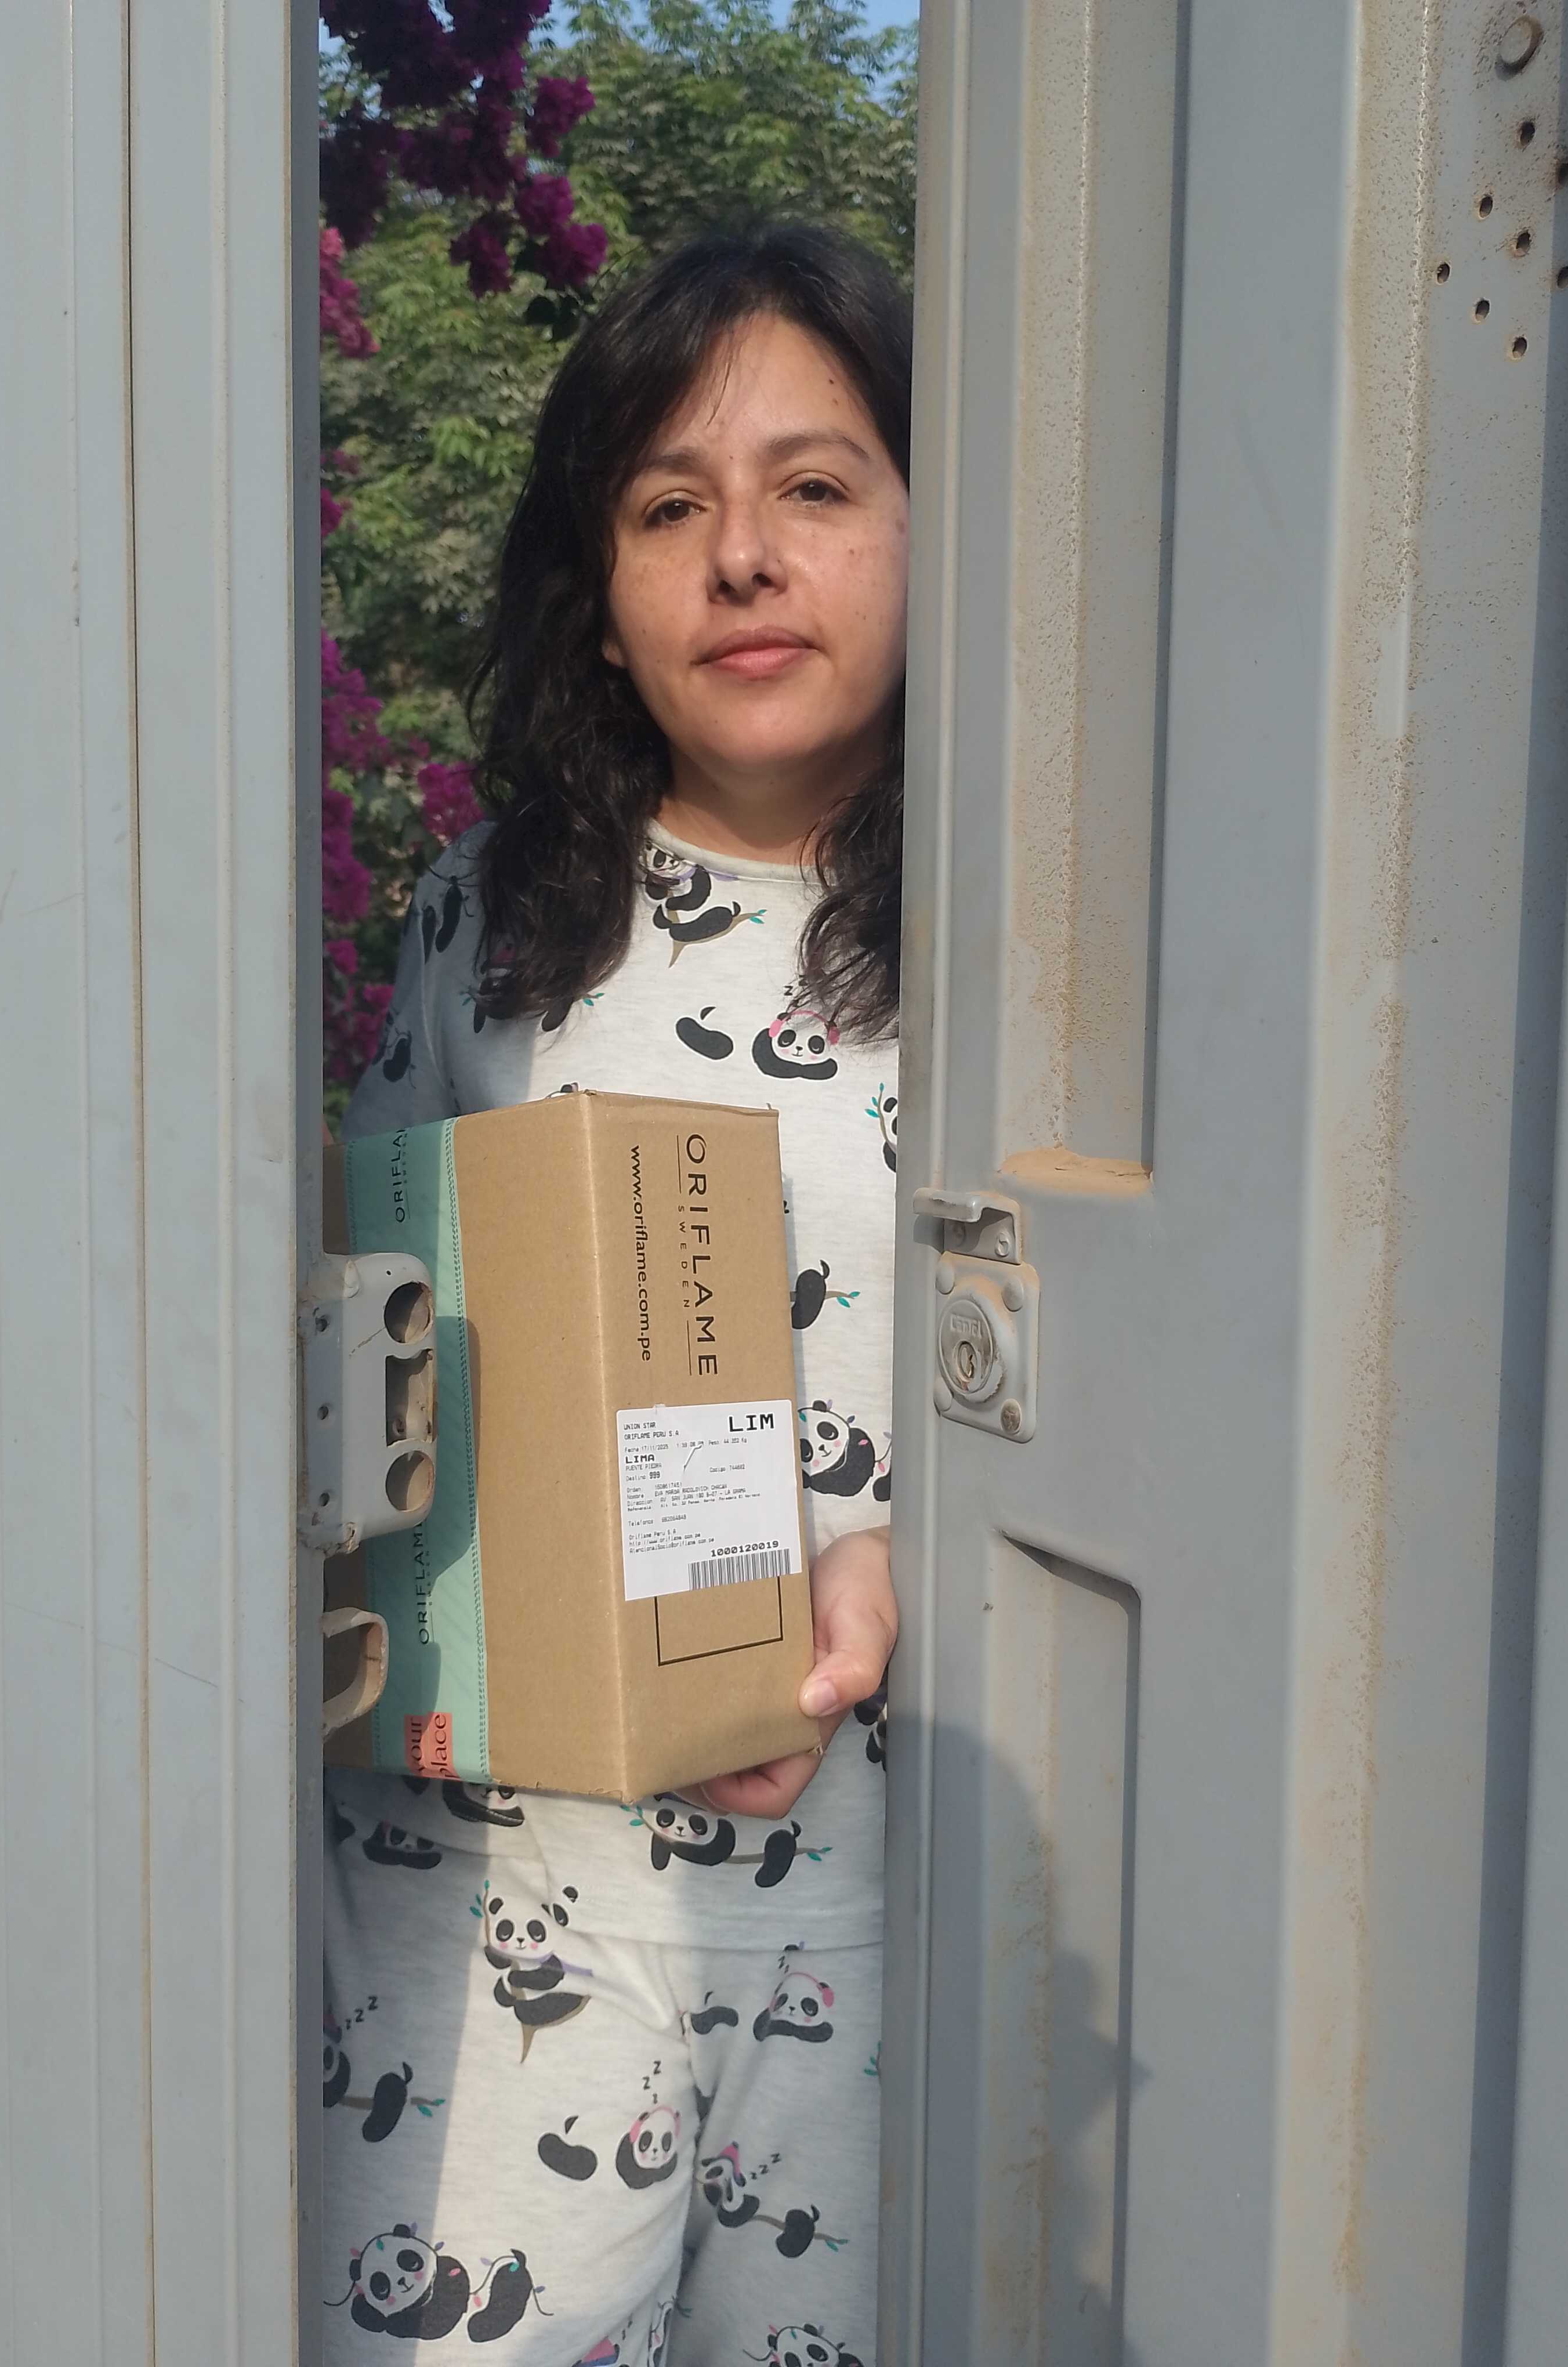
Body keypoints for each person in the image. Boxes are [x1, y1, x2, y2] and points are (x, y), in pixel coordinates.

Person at [323, 221, 908, 2367]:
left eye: (816, 486)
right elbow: (361, 1353)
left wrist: (906, 1562)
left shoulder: (1065, 945)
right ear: (600, 587)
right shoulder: (487, 923)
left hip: (877, 1908)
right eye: (671, 508)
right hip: (491, 1905)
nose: (745, 557)